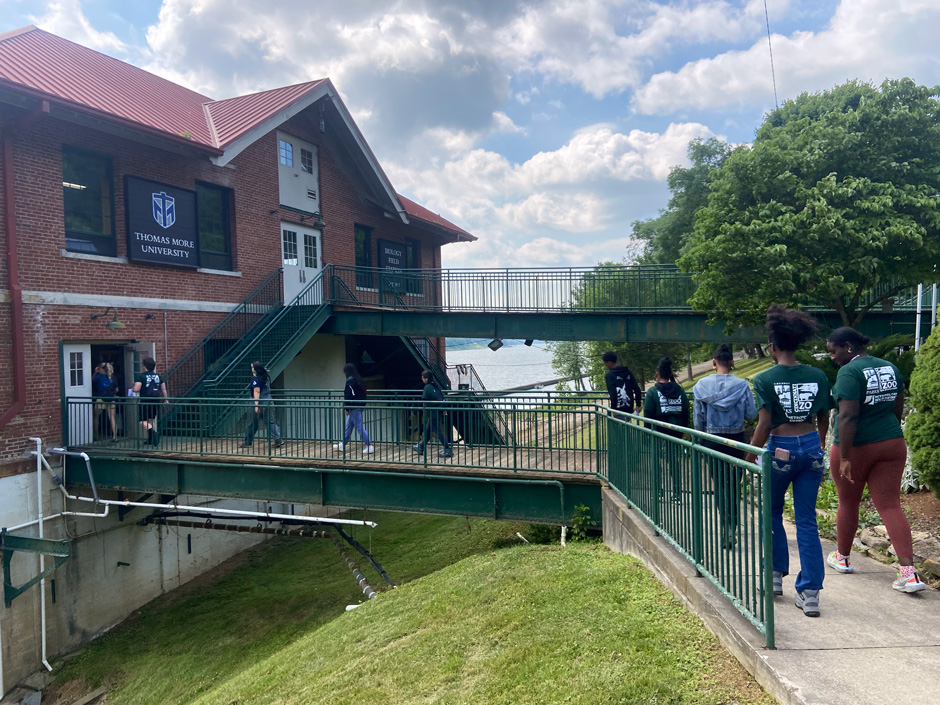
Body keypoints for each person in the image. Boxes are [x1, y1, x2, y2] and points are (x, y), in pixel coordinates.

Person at [746, 305, 832, 618]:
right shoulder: (818, 375)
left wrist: (750, 455)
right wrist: (819, 444)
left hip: (779, 448)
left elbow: (764, 423)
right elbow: (824, 416)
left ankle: (773, 577)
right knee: (807, 520)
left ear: (773, 347)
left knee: (771, 512)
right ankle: (810, 594)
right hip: (810, 446)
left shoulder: (765, 378)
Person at [826, 327, 925, 594]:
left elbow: (847, 417)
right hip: (892, 442)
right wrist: (888, 426)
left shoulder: (849, 372)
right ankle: (909, 574)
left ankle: (843, 558)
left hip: (857, 446)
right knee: (891, 506)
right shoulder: (889, 367)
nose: (832, 357)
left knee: (848, 501)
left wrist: (845, 456)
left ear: (848, 347)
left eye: (833, 351)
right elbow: (898, 402)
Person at [693, 344, 757, 549]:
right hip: (736, 439)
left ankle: (726, 525)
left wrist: (701, 439)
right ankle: (733, 525)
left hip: (711, 439)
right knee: (733, 484)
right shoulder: (742, 385)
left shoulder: (701, 386)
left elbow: (698, 420)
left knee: (719, 484)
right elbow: (751, 414)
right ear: (732, 362)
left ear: (714, 363)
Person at [643, 357, 690, 503]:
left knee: (655, 461)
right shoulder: (679, 390)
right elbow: (686, 411)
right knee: (673, 461)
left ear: (657, 374)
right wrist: (683, 430)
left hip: (657, 431)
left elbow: (648, 415)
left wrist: (647, 436)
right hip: (676, 431)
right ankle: (676, 493)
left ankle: (659, 492)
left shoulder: (652, 392)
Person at [240, 361, 283, 449]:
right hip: (268, 401)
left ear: (255, 369)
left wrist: (256, 405)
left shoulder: (255, 379)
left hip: (259, 402)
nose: (251, 369)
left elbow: (257, 391)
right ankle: (278, 439)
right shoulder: (266, 377)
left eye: (252, 367)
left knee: (251, 423)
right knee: (270, 422)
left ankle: (247, 442)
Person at [333, 363, 374, 454]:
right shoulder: (359, 380)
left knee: (359, 427)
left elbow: (348, 396)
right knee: (349, 426)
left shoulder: (350, 382)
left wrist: (347, 408)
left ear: (347, 372)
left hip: (353, 407)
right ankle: (342, 444)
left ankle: (369, 445)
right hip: (359, 405)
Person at [412, 369, 452, 458]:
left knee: (438, 431)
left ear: (426, 379)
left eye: (422, 378)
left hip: (433, 412)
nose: (422, 379)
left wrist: (414, 410)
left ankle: (447, 449)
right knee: (428, 431)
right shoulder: (435, 386)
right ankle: (421, 446)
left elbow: (423, 400)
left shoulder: (427, 387)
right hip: (438, 410)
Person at [132, 357, 167, 447]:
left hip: (145, 400)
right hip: (156, 400)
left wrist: (133, 388)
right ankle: (151, 439)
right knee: (151, 420)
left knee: (142, 421)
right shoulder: (159, 376)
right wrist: (166, 399)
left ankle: (153, 433)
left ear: (144, 366)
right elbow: (163, 389)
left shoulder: (141, 376)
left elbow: (136, 389)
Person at [92, 362, 120, 443]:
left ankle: (96, 435)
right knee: (112, 417)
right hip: (111, 399)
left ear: (100, 369)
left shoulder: (98, 377)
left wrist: (95, 372)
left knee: (96, 416)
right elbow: (117, 389)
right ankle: (115, 436)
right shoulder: (112, 377)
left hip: (100, 399)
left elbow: (92, 383)